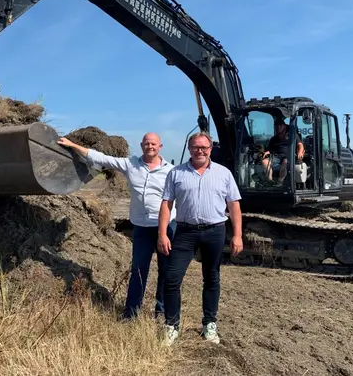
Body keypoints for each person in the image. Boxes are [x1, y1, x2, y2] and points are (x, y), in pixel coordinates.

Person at [57, 132, 176, 320]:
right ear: (141, 145)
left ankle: (161, 311)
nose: (150, 146)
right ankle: (131, 312)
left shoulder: (171, 171)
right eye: (146, 143)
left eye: (153, 144)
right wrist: (72, 145)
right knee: (138, 269)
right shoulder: (131, 164)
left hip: (167, 226)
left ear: (160, 147)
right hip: (142, 227)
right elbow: (102, 158)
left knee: (166, 270)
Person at [156, 131, 243, 346]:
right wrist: (162, 234)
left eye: (204, 147)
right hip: (185, 232)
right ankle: (172, 325)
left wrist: (238, 235)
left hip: (215, 231)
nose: (200, 151)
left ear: (210, 149)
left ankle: (209, 324)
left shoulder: (223, 173)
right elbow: (166, 204)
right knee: (172, 278)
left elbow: (234, 206)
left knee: (211, 277)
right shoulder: (176, 174)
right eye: (195, 147)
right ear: (190, 148)